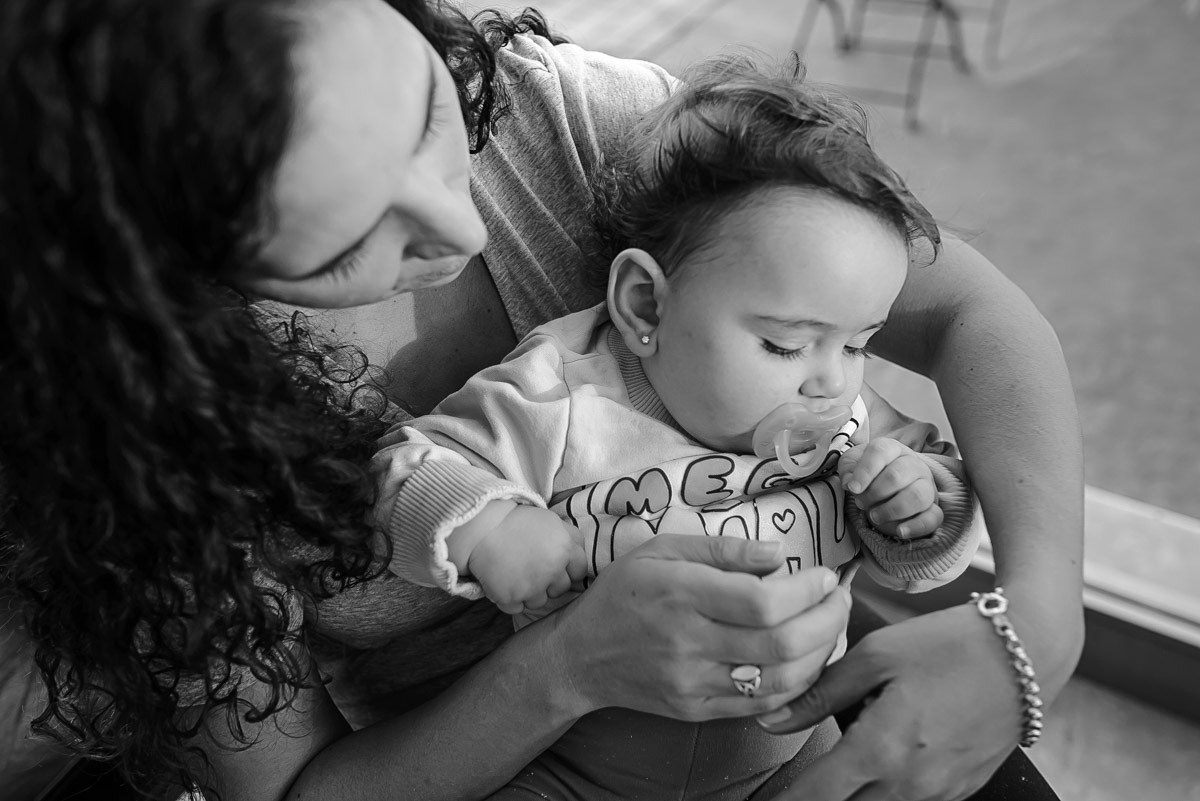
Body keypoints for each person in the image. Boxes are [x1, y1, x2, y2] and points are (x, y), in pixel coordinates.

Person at [0, 1, 1081, 800]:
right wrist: (566, 662)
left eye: (424, 109)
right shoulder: (143, 464)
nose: (463, 226)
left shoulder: (571, 123)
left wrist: (1031, 622)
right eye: (345, 246)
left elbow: (968, 319)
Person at [375, 55, 982, 800]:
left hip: (794, 744)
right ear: (645, 306)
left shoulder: (844, 420)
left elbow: (934, 504)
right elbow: (403, 469)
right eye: (785, 343)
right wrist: (487, 524)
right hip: (578, 768)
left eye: (857, 344)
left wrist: (918, 506)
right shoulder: (560, 394)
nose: (831, 379)